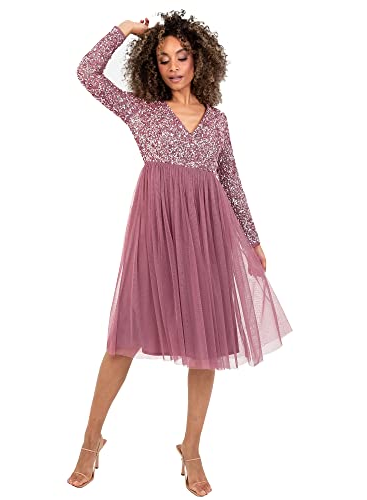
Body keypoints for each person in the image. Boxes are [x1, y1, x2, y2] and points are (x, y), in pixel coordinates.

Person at [68, 10, 293, 496]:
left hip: (207, 238)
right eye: (164, 58)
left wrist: (253, 239)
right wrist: (123, 31)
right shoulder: (144, 112)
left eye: (182, 57)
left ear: (199, 60)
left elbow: (231, 181)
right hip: (155, 237)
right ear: (153, 65)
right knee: (123, 341)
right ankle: (90, 439)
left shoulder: (218, 122)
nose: (173, 67)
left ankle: (191, 449)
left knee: (206, 345)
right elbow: (87, 73)